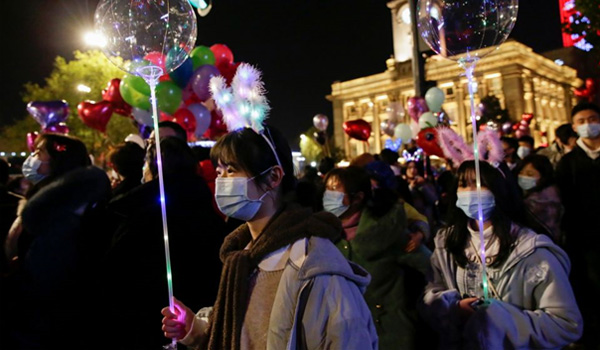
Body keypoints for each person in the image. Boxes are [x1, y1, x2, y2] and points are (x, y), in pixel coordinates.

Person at [161, 126, 377, 350]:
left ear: (274, 177)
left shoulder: (313, 264)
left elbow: (346, 339)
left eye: (231, 170)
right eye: (218, 172)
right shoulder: (242, 255)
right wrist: (195, 329)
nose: (221, 181)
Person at [421, 160, 582, 349]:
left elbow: (565, 325)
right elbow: (430, 294)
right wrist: (454, 309)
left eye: (481, 184)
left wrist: (500, 319)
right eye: (464, 184)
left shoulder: (532, 251)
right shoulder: (446, 243)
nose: (471, 191)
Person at [98, 137, 226, 349]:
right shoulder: (205, 209)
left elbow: (115, 272)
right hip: (196, 326)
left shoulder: (143, 211)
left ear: (152, 167)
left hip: (149, 324)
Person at [3, 134, 112, 349]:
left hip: (48, 317)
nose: (32, 158)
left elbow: (49, 269)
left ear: (58, 159)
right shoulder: (49, 199)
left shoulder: (60, 208)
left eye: (39, 152)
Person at [323, 164, 431, 349]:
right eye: (327, 190)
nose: (328, 196)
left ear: (358, 197)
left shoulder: (386, 230)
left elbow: (431, 267)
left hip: (391, 335)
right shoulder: (324, 235)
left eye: (335, 190)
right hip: (346, 336)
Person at [556, 102, 600, 348]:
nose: (588, 125)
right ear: (574, 126)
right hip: (583, 239)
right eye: (581, 121)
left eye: (592, 119)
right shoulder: (568, 163)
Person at [515, 155, 563, 242]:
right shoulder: (526, 195)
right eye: (521, 172)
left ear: (543, 175)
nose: (523, 176)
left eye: (530, 174)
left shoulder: (544, 201)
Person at [404, 160, 438, 228]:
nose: (412, 170)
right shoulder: (403, 184)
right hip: (411, 218)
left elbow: (433, 199)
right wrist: (411, 188)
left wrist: (423, 186)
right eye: (409, 167)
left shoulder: (425, 183)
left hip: (426, 216)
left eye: (415, 167)